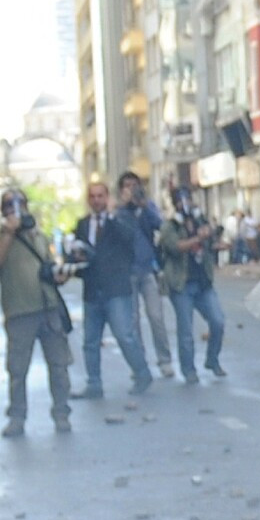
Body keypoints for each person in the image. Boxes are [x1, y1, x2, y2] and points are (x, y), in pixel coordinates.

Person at [1, 188, 73, 436]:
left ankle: (62, 412)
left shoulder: (39, 235)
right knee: (18, 369)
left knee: (59, 364)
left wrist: (59, 275)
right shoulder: (3, 236)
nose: (16, 207)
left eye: (20, 202)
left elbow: (47, 265)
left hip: (48, 307)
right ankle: (17, 417)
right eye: (10, 204)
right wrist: (9, 231)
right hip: (20, 312)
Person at [70, 181, 153, 397]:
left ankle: (142, 373)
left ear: (107, 198)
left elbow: (128, 239)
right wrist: (76, 258)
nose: (97, 200)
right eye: (93, 196)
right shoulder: (82, 224)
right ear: (88, 200)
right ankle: (94, 384)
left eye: (100, 196)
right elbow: (75, 256)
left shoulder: (120, 219)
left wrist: (112, 216)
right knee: (90, 341)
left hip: (116, 289)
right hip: (92, 290)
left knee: (125, 335)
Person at [157, 190, 227, 383]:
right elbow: (175, 247)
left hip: (203, 282)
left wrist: (213, 237)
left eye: (187, 199)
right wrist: (198, 238)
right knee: (186, 330)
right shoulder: (170, 226)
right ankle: (189, 370)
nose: (185, 204)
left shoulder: (200, 221)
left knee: (218, 321)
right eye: (181, 201)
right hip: (181, 284)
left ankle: (212, 360)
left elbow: (211, 243)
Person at [116, 173, 173, 380]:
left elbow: (161, 225)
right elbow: (116, 231)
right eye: (127, 186)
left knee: (156, 316)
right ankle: (138, 364)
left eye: (135, 185)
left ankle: (164, 360)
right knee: (132, 321)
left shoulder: (146, 206)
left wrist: (144, 205)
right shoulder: (118, 211)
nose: (131, 190)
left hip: (147, 269)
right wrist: (124, 207)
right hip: (127, 271)